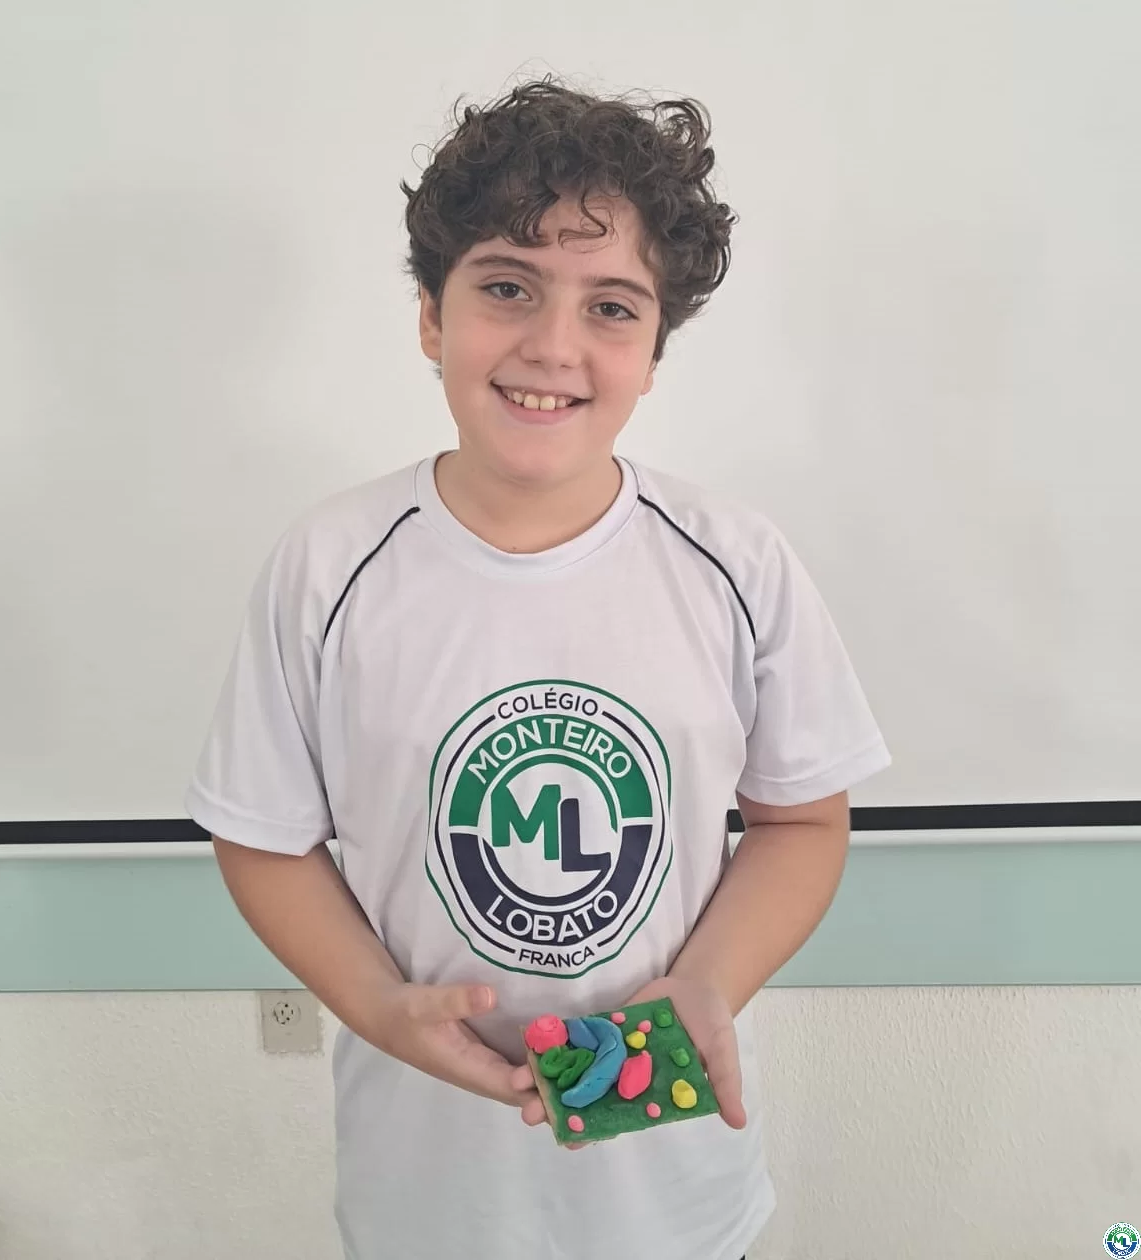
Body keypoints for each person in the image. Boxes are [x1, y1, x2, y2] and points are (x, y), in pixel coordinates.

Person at [185, 76, 891, 1260]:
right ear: (431, 316)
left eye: (611, 307)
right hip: (427, 1196)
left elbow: (803, 822)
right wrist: (378, 1007)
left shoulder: (736, 562)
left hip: (674, 1198)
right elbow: (263, 836)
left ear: (655, 352)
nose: (553, 346)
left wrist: (707, 983)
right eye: (507, 286)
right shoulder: (329, 566)